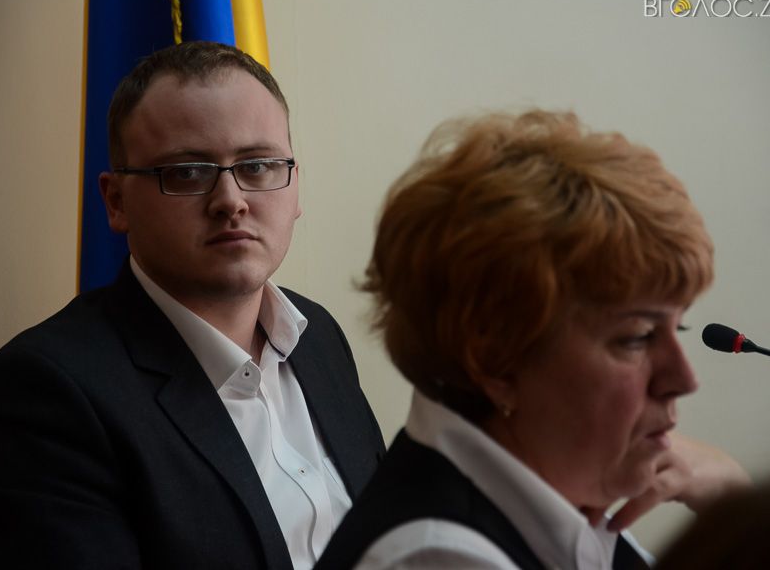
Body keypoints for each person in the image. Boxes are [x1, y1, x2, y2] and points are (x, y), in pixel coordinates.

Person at [0, 41, 385, 569]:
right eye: (188, 172)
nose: (231, 201)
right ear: (116, 202)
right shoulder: (40, 398)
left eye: (259, 165)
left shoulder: (318, 336)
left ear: (294, 186)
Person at [316, 110, 747, 569]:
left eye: (677, 328)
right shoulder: (440, 557)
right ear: (496, 358)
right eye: (638, 337)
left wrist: (731, 496)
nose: (684, 379)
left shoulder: (558, 496)